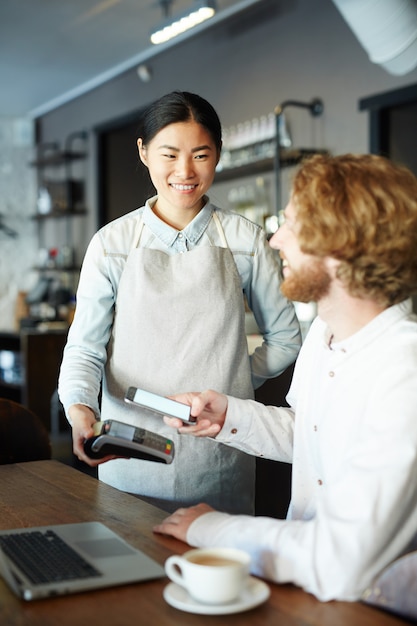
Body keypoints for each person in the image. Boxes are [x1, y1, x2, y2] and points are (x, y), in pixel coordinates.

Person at [154, 153, 417, 602]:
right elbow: (311, 432)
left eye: (291, 225)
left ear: (338, 245)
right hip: (304, 590)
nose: (276, 239)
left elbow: (340, 563)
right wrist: (228, 416)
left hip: (373, 606)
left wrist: (211, 528)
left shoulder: (405, 371)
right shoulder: (324, 330)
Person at [58, 90, 301, 514]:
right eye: (169, 155)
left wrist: (234, 382)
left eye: (201, 155)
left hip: (218, 450)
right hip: (129, 450)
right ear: (144, 152)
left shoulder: (244, 240)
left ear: (219, 154)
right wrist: (81, 413)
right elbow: (84, 349)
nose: (184, 171)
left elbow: (285, 339)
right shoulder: (112, 244)